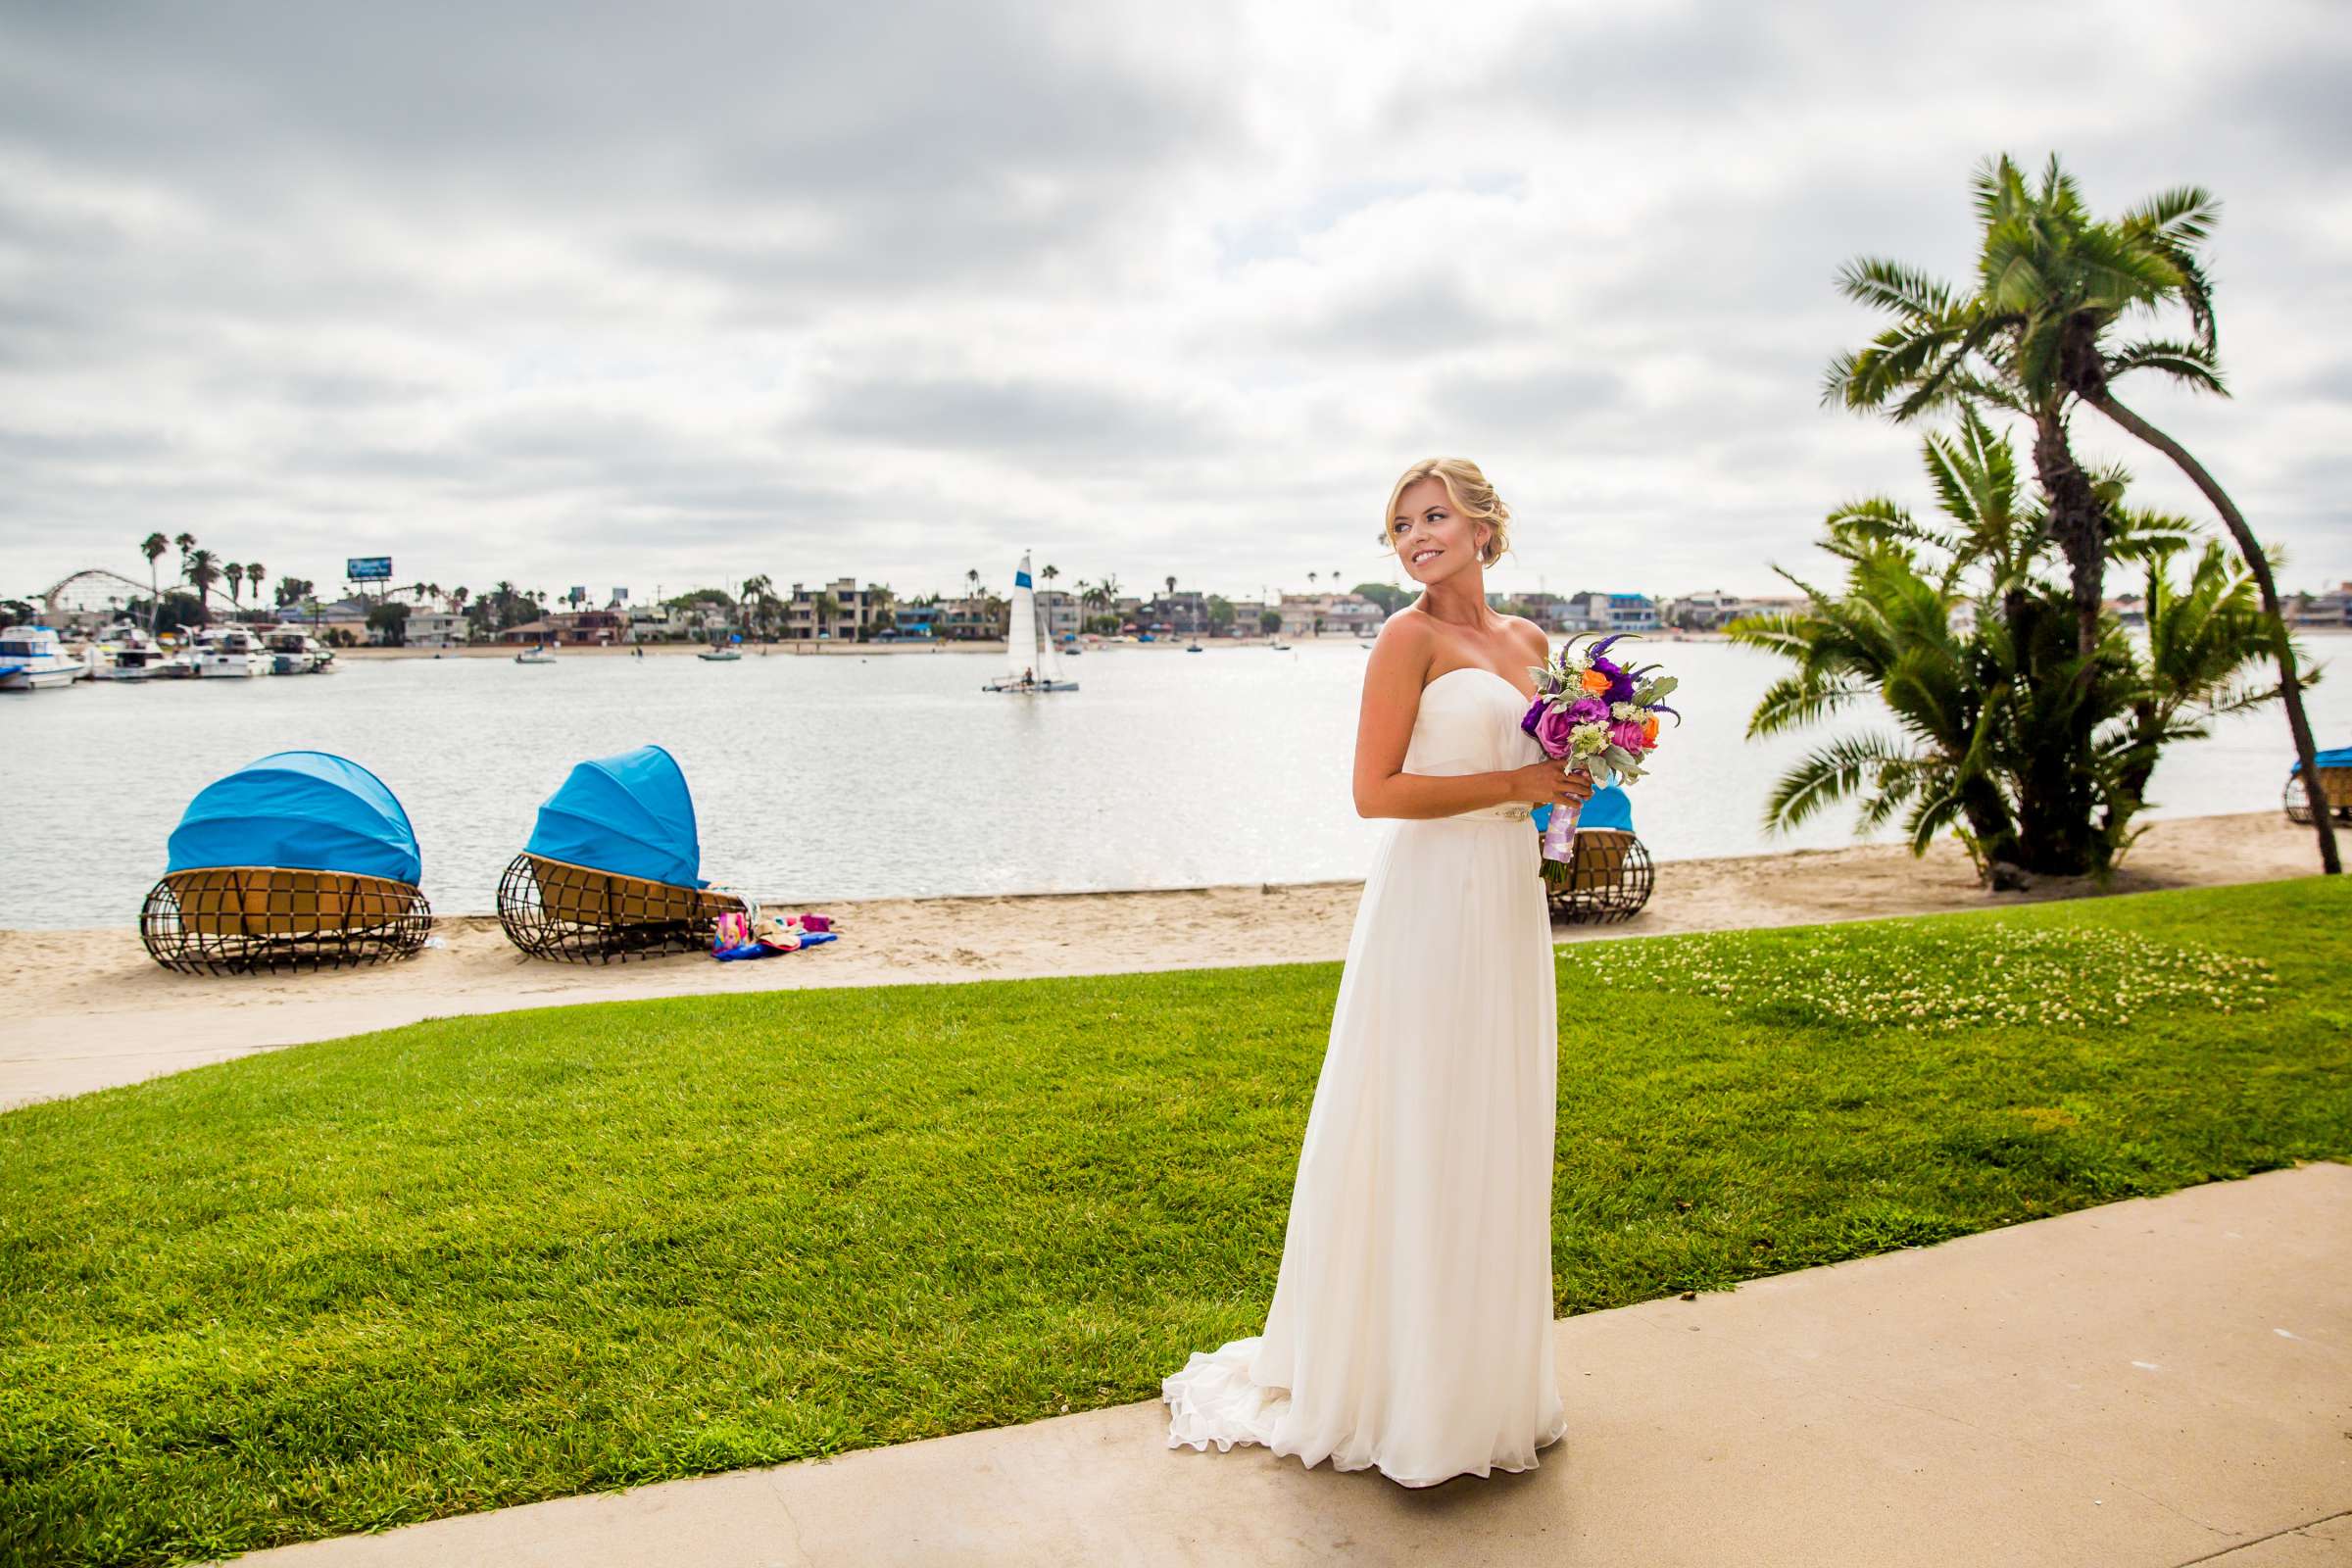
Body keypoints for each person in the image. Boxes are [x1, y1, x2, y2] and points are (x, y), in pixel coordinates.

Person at [1161, 456, 1592, 1488]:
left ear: (1484, 525)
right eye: (1402, 523)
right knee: (1424, 1118)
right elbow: (1376, 791)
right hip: (1428, 902)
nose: (1416, 535)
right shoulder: (1407, 639)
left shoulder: (1530, 643)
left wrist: (1569, 784)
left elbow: (1542, 783)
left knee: (1496, 1117)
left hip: (1505, 898)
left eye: (1435, 515)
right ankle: (1405, 1391)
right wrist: (1521, 779)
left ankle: (1487, 1384)